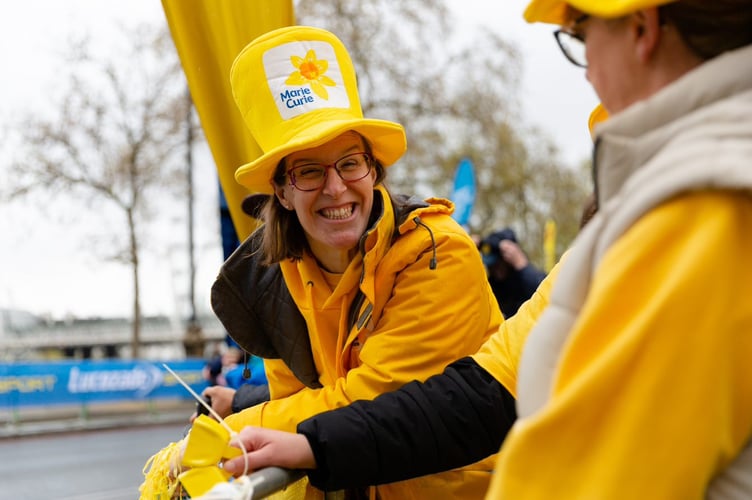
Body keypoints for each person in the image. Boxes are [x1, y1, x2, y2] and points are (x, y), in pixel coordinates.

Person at [221, 1, 752, 498]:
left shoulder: (699, 210)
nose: (586, 68)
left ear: (642, 30)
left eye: (580, 36)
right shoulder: (674, 202)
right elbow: (482, 394)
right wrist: (314, 442)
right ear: (282, 194)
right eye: (309, 171)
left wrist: (243, 427)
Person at [140, 25, 503, 499]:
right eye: (309, 171)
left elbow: (373, 401)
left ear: (374, 170)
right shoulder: (280, 274)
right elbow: (298, 409)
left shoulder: (439, 252)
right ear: (283, 192)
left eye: (349, 163)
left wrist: (224, 435)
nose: (336, 188)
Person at [479, 228, 547, 317]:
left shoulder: (525, 279)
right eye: (491, 266)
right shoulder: (493, 285)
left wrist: (521, 264)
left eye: (498, 264)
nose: (494, 269)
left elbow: (545, 293)